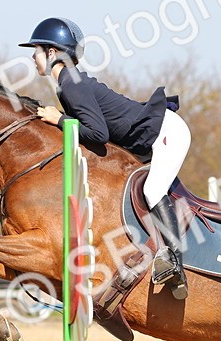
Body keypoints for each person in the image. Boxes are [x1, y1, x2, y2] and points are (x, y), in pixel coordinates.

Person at [21, 17, 190, 299]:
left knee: (152, 189)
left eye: (36, 50)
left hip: (166, 131)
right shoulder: (68, 82)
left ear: (51, 53)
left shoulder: (70, 84)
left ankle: (175, 262)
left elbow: (98, 135)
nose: (32, 57)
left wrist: (58, 118)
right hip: (156, 132)